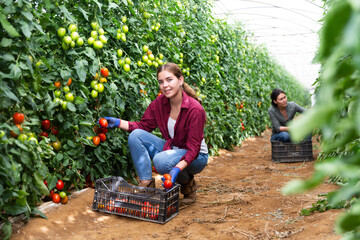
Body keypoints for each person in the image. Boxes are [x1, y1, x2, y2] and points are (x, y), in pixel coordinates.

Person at [100, 63, 208, 205]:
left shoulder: (195, 109)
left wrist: (175, 169)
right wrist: (118, 122)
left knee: (161, 161)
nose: (165, 85)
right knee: (136, 135)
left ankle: (187, 183)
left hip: (197, 156)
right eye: (161, 82)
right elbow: (143, 126)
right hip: (175, 150)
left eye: (169, 80)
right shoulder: (160, 104)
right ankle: (147, 187)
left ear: (180, 80)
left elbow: (193, 149)